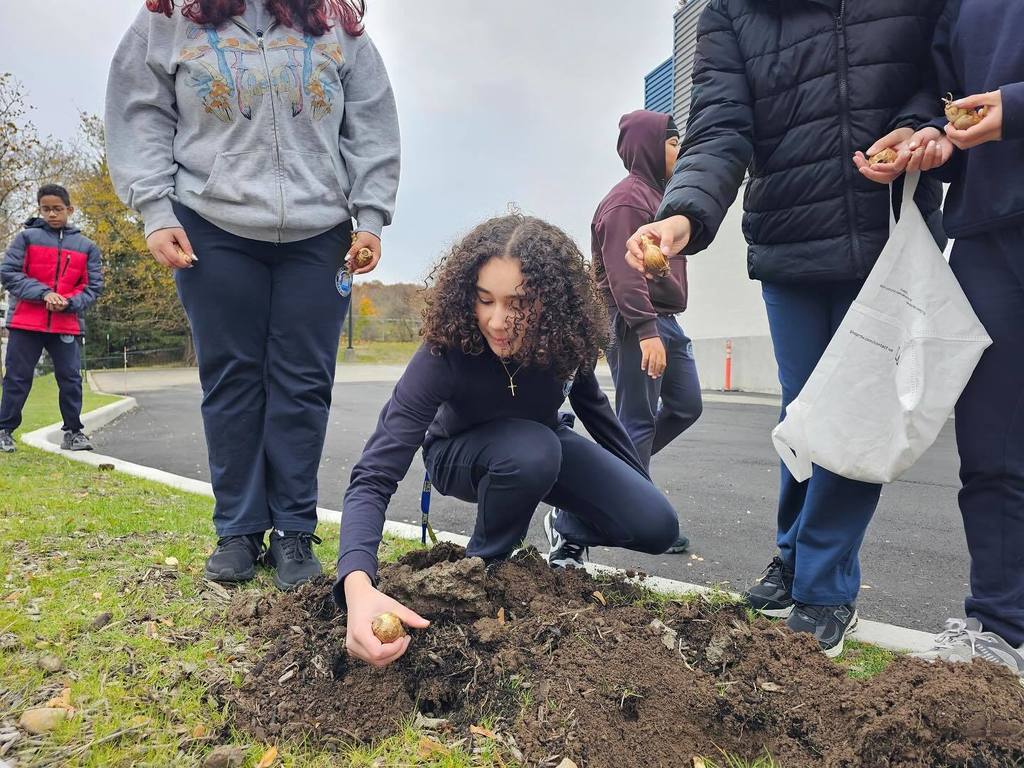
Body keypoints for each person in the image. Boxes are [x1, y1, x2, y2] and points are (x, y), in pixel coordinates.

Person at [625, 0, 945, 656]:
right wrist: (683, 215)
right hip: (791, 238)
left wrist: (918, 124)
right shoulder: (732, 14)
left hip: (885, 233)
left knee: (853, 418)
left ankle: (825, 587)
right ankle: (795, 557)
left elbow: (939, 69)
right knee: (804, 417)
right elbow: (720, 128)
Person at [105, 0, 400, 590]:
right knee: (232, 377)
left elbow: (370, 120)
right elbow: (140, 112)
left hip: (320, 232)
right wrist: (154, 210)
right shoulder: (169, 20)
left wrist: (370, 215)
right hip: (212, 225)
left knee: (303, 381)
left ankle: (294, 530)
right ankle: (237, 529)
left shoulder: (335, 25)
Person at [336, 214, 681, 667]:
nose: (497, 322)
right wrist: (356, 583)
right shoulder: (445, 353)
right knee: (533, 450)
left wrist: (637, 486)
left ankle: (566, 527)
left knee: (657, 524)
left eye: (517, 303)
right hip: (459, 454)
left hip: (542, 447)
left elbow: (596, 412)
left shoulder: (561, 344)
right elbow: (374, 473)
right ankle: (481, 571)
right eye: (484, 301)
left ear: (551, 304)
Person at [859, 0, 1024, 677]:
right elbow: (946, 91)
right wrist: (925, 133)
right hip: (987, 238)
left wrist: (1014, 107)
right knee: (992, 452)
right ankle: (1000, 630)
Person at [592, 109, 701, 555]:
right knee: (636, 421)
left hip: (665, 321)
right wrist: (645, 329)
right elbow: (623, 274)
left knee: (685, 405)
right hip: (636, 321)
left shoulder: (661, 199)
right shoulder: (627, 201)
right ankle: (615, 516)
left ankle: (612, 491)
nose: (680, 149)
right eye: (673, 143)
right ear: (649, 147)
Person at [0, 184, 104, 454]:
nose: (52, 214)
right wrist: (45, 294)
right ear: (39, 209)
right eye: (46, 209)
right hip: (25, 323)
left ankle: (73, 432)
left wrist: (68, 302)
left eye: (57, 209)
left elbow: (92, 287)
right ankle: (4, 430)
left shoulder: (87, 247)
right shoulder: (26, 239)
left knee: (70, 378)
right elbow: (10, 273)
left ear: (70, 209)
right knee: (17, 378)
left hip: (66, 323)